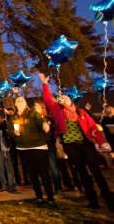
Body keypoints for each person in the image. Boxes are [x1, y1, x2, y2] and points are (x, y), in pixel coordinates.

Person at [40, 73, 113, 211]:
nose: (65, 99)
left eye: (66, 97)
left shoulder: (81, 112)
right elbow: (48, 100)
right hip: (70, 146)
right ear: (60, 102)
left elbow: (93, 127)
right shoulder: (58, 111)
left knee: (96, 172)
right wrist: (45, 84)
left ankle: (108, 199)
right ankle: (93, 200)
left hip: (86, 145)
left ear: (70, 100)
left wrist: (101, 141)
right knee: (82, 173)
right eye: (62, 99)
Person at [7, 95, 56, 207]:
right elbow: (10, 131)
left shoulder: (33, 113)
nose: (19, 101)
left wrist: (45, 126)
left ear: (25, 103)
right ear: (15, 104)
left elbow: (41, 121)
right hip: (23, 148)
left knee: (44, 173)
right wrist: (14, 133)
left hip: (38, 147)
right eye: (17, 100)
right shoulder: (13, 117)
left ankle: (50, 198)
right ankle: (39, 196)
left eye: (22, 100)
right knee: (32, 174)